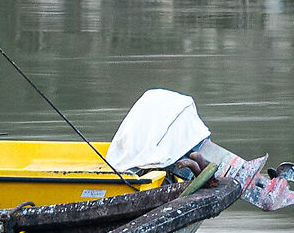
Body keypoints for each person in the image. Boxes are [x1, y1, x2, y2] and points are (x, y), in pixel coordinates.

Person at [107, 89, 294, 210]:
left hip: (177, 141)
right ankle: (269, 188)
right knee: (231, 172)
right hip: (175, 143)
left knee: (230, 171)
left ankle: (270, 187)